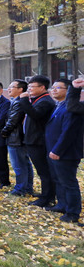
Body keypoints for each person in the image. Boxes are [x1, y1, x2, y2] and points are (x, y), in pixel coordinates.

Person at [45, 79, 84, 224]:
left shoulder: (71, 109)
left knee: (68, 182)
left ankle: (72, 212)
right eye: (53, 87)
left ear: (68, 91)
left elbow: (68, 132)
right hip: (54, 150)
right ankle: (62, 205)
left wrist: (57, 150)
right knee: (59, 180)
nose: (54, 90)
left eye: (58, 88)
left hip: (66, 152)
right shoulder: (59, 106)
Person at [20, 75, 56, 208]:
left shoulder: (45, 101)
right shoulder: (38, 99)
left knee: (44, 171)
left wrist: (24, 100)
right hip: (32, 140)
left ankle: (47, 198)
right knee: (42, 171)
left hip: (38, 141)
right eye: (28, 87)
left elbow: (35, 114)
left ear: (42, 87)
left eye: (31, 87)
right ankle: (46, 195)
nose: (29, 89)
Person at [2, 79, 32, 196]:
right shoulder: (16, 101)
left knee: (19, 165)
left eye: (12, 87)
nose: (9, 89)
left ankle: (20, 189)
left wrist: (4, 132)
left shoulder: (19, 102)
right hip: (18, 137)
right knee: (25, 164)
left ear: (20, 89)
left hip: (16, 138)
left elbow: (13, 120)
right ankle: (27, 187)